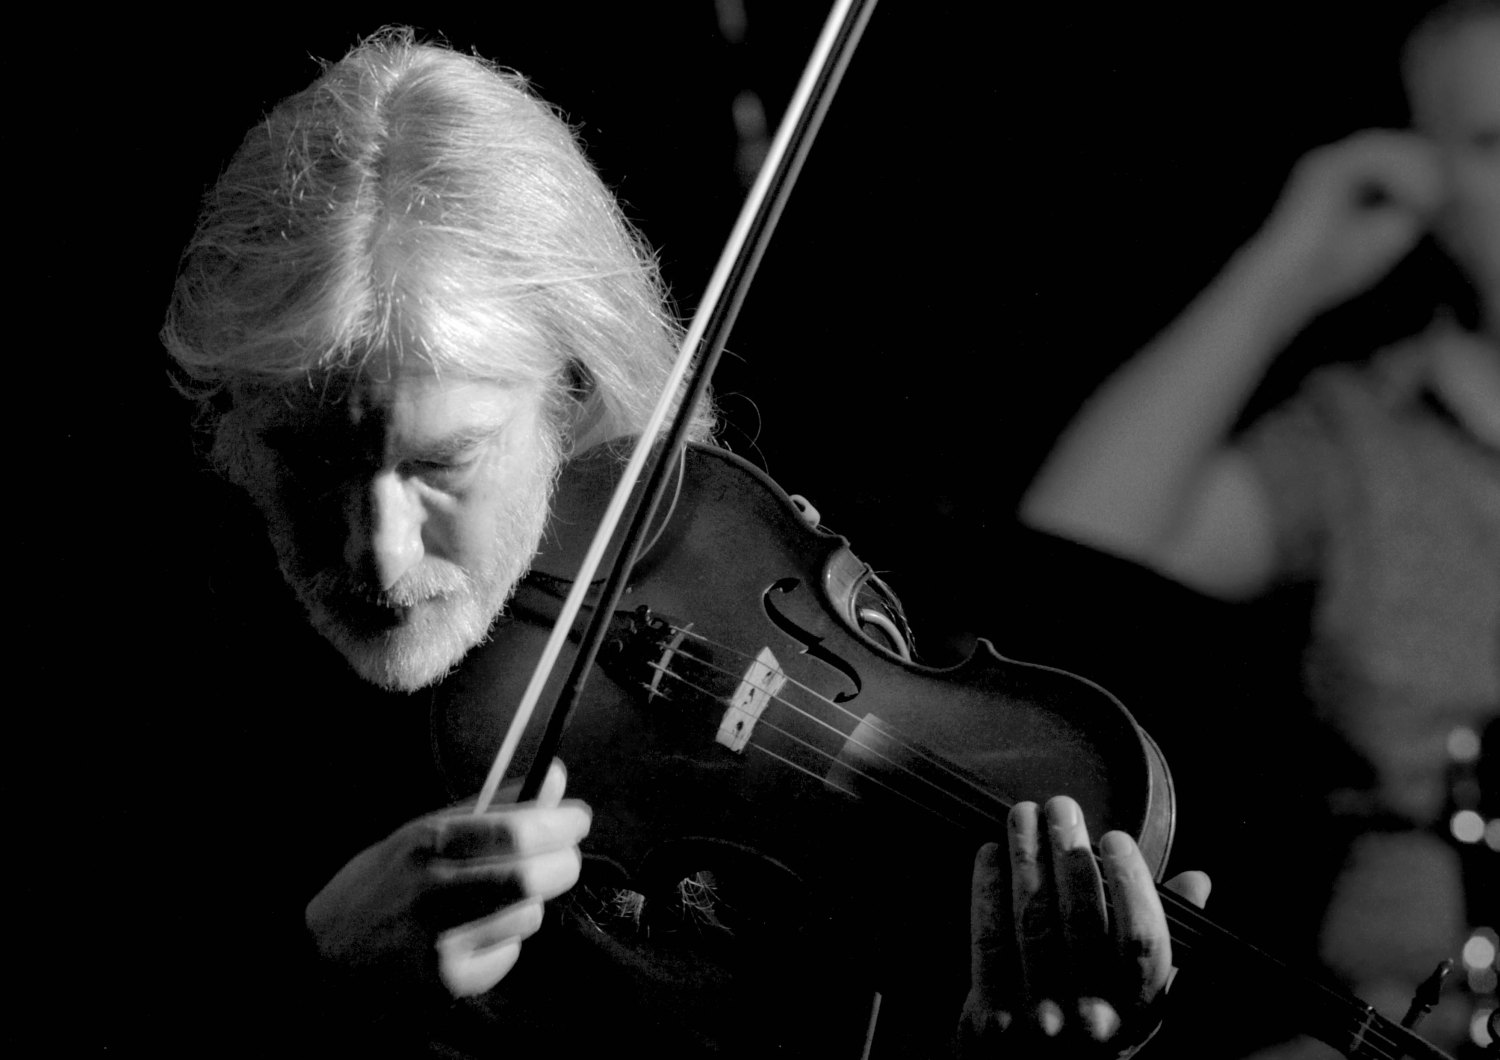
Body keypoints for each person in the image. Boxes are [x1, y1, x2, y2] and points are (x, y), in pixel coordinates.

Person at [146, 27, 1208, 1059]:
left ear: (571, 397)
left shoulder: (737, 562)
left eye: (443, 462)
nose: (378, 553)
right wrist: (310, 980)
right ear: (231, 420)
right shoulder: (154, 685)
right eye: (307, 461)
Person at [1022, 1, 1498, 1053]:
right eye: (1495, 143)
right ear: (1427, 178)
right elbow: (1079, 539)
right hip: (1409, 1026)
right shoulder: (1356, 438)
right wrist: (1286, 271)